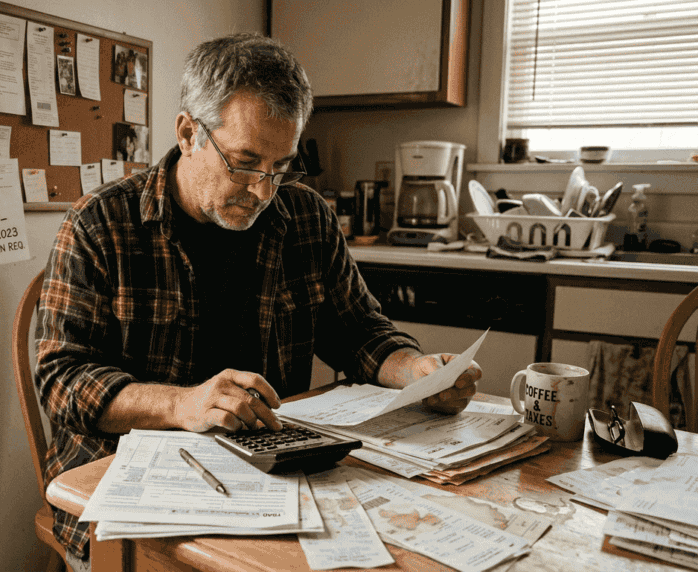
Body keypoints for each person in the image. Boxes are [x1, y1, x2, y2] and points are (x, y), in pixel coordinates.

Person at [35, 32, 481, 564]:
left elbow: (360, 331)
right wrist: (183, 404)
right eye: (245, 162)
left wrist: (417, 372)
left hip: (273, 476)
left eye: (281, 165)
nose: (264, 191)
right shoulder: (99, 224)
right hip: (130, 485)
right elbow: (61, 382)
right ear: (188, 133)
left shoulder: (306, 217)